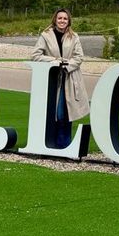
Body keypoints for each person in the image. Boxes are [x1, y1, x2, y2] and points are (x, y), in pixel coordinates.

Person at [31, 8, 89, 148]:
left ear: (69, 21)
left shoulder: (74, 36)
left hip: (69, 78)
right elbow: (35, 55)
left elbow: (79, 57)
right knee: (53, 113)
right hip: (52, 80)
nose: (62, 21)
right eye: (60, 18)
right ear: (55, 20)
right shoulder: (45, 36)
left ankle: (64, 145)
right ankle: (50, 144)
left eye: (65, 18)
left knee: (65, 114)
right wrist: (54, 61)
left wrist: (66, 65)